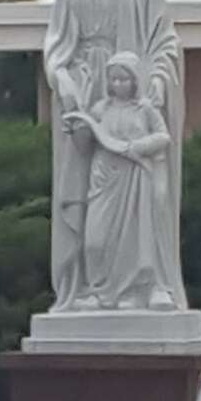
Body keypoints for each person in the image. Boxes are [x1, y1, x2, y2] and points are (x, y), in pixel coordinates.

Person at [44, 0, 187, 312]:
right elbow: (55, 41)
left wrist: (156, 81)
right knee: (88, 195)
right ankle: (91, 286)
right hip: (86, 89)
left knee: (144, 193)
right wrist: (62, 77)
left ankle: (146, 285)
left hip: (132, 87)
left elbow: (165, 41)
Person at [64, 52, 174, 310]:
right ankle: (99, 291)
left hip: (135, 176)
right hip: (103, 178)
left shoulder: (144, 108)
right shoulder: (100, 109)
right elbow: (85, 147)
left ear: (135, 81)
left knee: (132, 239)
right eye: (114, 79)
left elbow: (163, 137)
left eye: (124, 79)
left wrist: (136, 146)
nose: (119, 85)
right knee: (95, 240)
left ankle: (131, 292)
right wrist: (77, 130)